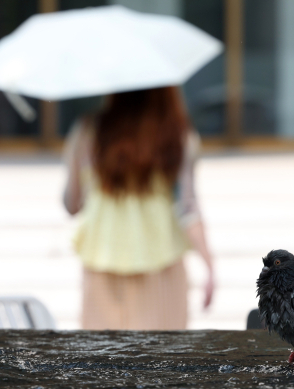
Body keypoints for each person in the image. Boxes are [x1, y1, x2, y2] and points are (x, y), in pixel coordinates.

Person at [63, 86, 214, 330]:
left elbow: (71, 205)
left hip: (102, 259)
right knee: (161, 361)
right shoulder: (178, 135)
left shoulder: (88, 130)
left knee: (103, 362)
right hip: (161, 263)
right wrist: (209, 265)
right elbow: (187, 207)